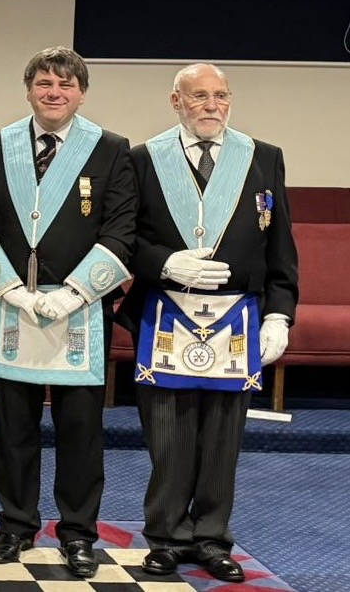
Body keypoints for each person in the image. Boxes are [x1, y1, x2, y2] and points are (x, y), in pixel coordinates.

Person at [119, 63, 297, 583]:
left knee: (223, 439)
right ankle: (167, 537)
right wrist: (164, 263)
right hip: (166, 312)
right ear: (176, 101)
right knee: (168, 436)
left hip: (237, 318)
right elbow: (123, 239)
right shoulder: (143, 159)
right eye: (199, 96)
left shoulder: (262, 157)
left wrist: (280, 314)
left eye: (221, 96)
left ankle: (212, 538)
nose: (212, 106)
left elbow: (280, 243)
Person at [0, 47, 135, 578]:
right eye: (43, 83)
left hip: (80, 309)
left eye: (65, 84)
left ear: (81, 93)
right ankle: (15, 525)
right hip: (15, 305)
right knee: (14, 427)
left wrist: (76, 293)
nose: (53, 92)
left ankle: (78, 534)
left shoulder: (110, 149)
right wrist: (11, 291)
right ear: (28, 90)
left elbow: (121, 230)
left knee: (80, 430)